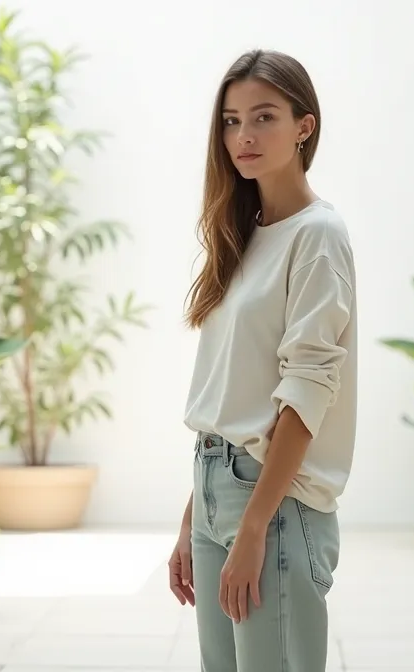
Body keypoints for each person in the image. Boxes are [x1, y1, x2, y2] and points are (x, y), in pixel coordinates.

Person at [168, 48, 358, 672]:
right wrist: (194, 515)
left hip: (273, 501)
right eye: (229, 120)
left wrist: (253, 527)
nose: (242, 136)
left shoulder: (318, 236)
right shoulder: (241, 234)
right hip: (216, 485)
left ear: (305, 126)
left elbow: (307, 392)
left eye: (264, 117)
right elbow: (230, 391)